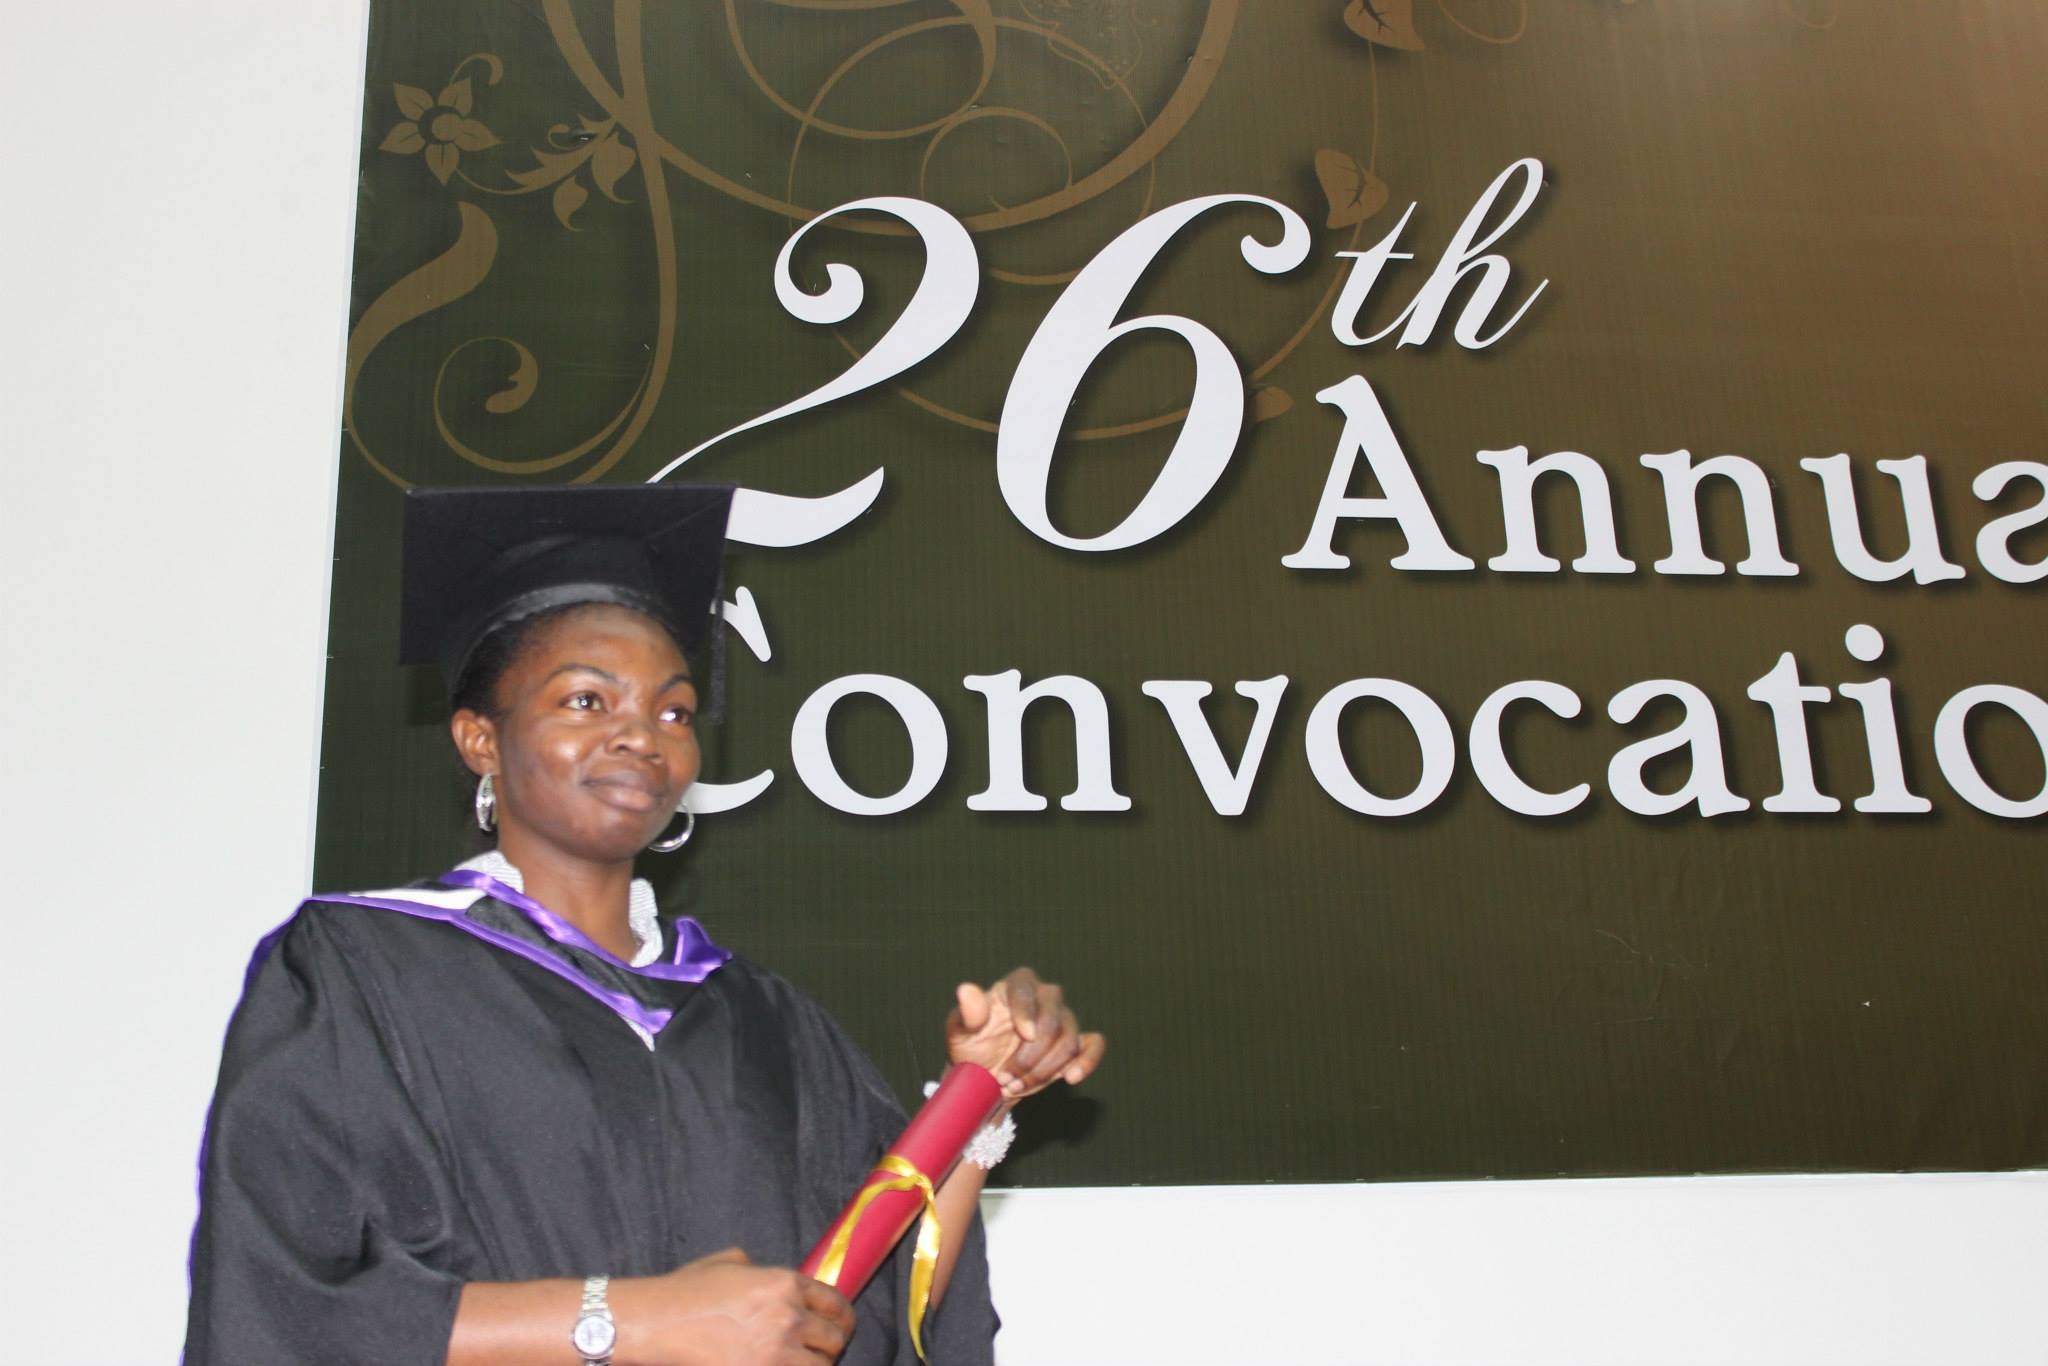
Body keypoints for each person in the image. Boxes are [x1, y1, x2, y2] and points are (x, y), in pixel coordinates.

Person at [184, 484, 1105, 1366]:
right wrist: (630, 1321)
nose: (642, 735)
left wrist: (978, 1098)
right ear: (480, 739)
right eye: (586, 701)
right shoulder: (360, 971)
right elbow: (285, 1305)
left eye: (673, 710)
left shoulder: (762, 1018)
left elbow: (870, 1310)